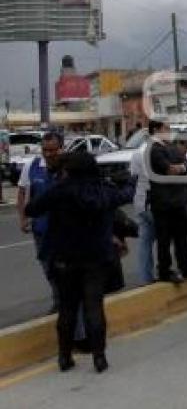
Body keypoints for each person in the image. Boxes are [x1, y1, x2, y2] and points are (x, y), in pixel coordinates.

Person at [24, 152, 134, 373]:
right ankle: (99, 358)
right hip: (96, 258)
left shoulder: (60, 190)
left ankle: (64, 358)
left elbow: (31, 209)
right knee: (94, 307)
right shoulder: (103, 190)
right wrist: (130, 180)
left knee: (67, 309)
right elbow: (125, 195)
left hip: (64, 258)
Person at [147, 120, 187, 284]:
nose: (169, 131)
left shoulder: (170, 147)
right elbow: (171, 169)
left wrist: (182, 165)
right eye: (166, 128)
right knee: (164, 240)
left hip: (179, 201)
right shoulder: (154, 150)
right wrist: (181, 166)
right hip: (164, 203)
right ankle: (165, 271)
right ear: (156, 130)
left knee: (182, 238)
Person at [17, 131, 64, 313]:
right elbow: (22, 193)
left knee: (65, 268)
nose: (48, 154)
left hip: (65, 230)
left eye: (52, 150)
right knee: (48, 267)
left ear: (61, 148)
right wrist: (23, 219)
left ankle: (63, 301)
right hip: (41, 229)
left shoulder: (68, 166)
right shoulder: (32, 166)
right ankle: (58, 297)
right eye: (45, 150)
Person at [129, 133, 155, 284]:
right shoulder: (155, 153)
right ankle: (169, 269)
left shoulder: (137, 154)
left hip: (140, 202)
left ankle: (145, 278)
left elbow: (134, 175)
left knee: (145, 241)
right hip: (154, 202)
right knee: (169, 235)